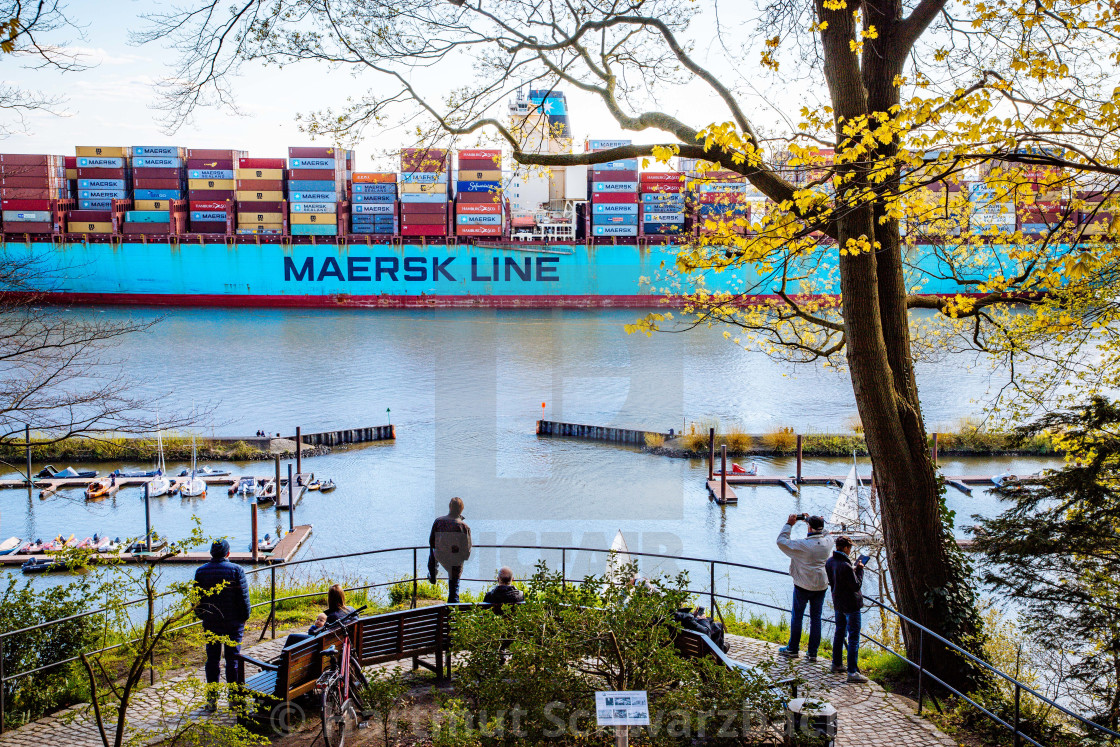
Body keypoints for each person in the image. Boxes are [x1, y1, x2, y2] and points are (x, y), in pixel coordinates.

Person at [194, 539, 251, 711]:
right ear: (228, 553)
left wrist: (203, 616)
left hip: (211, 623)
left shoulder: (201, 572)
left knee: (212, 661)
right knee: (232, 660)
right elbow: (243, 598)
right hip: (233, 623)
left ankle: (212, 700)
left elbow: (197, 601)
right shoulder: (236, 570)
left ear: (211, 553)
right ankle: (233, 699)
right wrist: (243, 617)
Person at [776, 514, 833, 663]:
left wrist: (789, 524)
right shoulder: (828, 543)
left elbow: (781, 541)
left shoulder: (802, 545)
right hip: (821, 585)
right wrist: (817, 522)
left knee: (797, 616)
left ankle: (793, 649)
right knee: (816, 619)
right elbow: (827, 533)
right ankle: (812, 653)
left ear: (809, 527)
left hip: (802, 585)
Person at [826, 536, 869, 683]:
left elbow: (835, 580)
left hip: (838, 603)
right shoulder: (845, 565)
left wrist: (853, 569)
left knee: (839, 633)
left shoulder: (830, 562)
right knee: (853, 638)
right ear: (845, 548)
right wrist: (859, 570)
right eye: (850, 548)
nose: (850, 551)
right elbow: (856, 586)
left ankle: (836, 663)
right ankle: (852, 672)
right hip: (851, 605)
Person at [428, 497, 472, 603]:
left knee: (433, 550)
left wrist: (440, 548)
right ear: (462, 509)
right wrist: (462, 557)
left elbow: (431, 541)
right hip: (455, 560)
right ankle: (452, 611)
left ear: (449, 507)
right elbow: (467, 551)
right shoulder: (463, 526)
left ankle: (433, 573)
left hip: (439, 555)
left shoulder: (438, 521)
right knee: (454, 587)